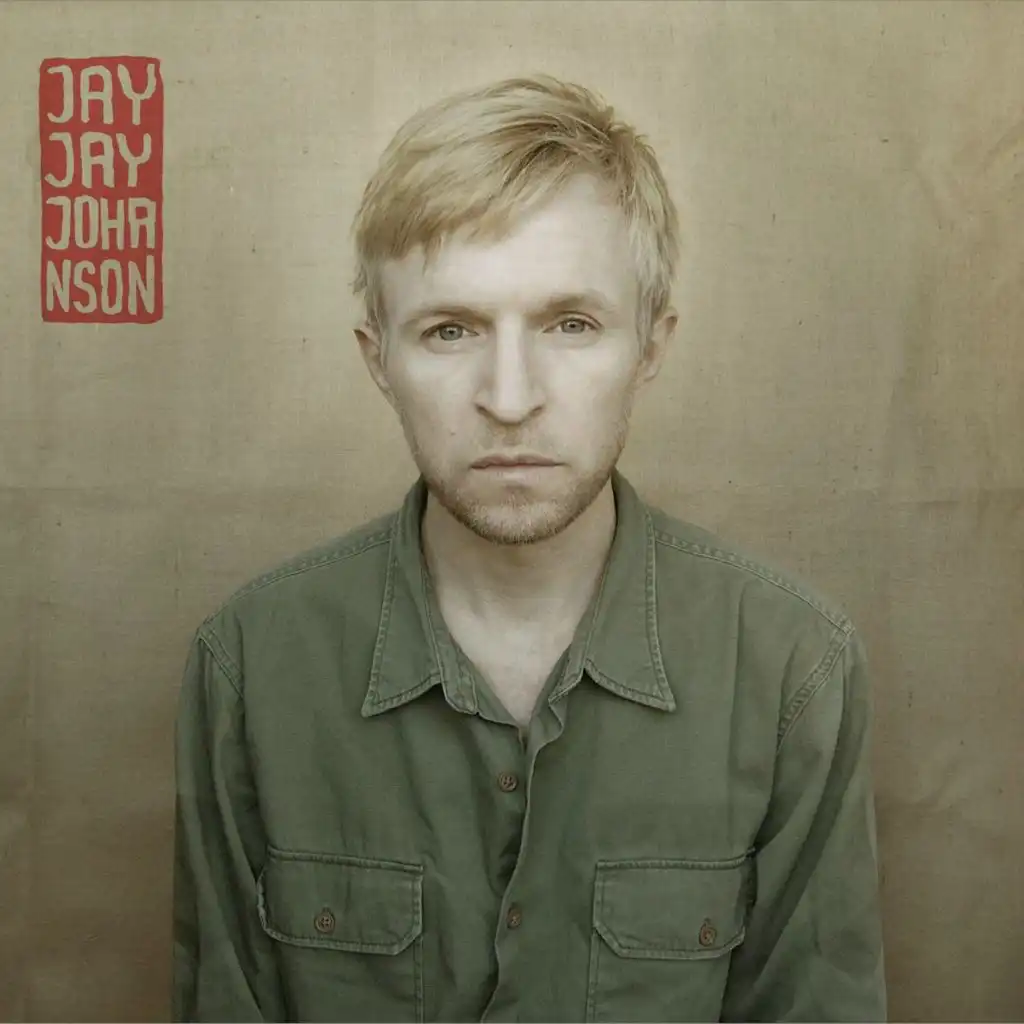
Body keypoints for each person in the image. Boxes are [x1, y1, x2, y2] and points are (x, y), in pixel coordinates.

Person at [172, 74, 887, 1023]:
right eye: (450, 329)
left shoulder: (795, 667)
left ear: (651, 346)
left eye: (571, 324)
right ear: (378, 358)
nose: (510, 398)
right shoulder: (249, 663)